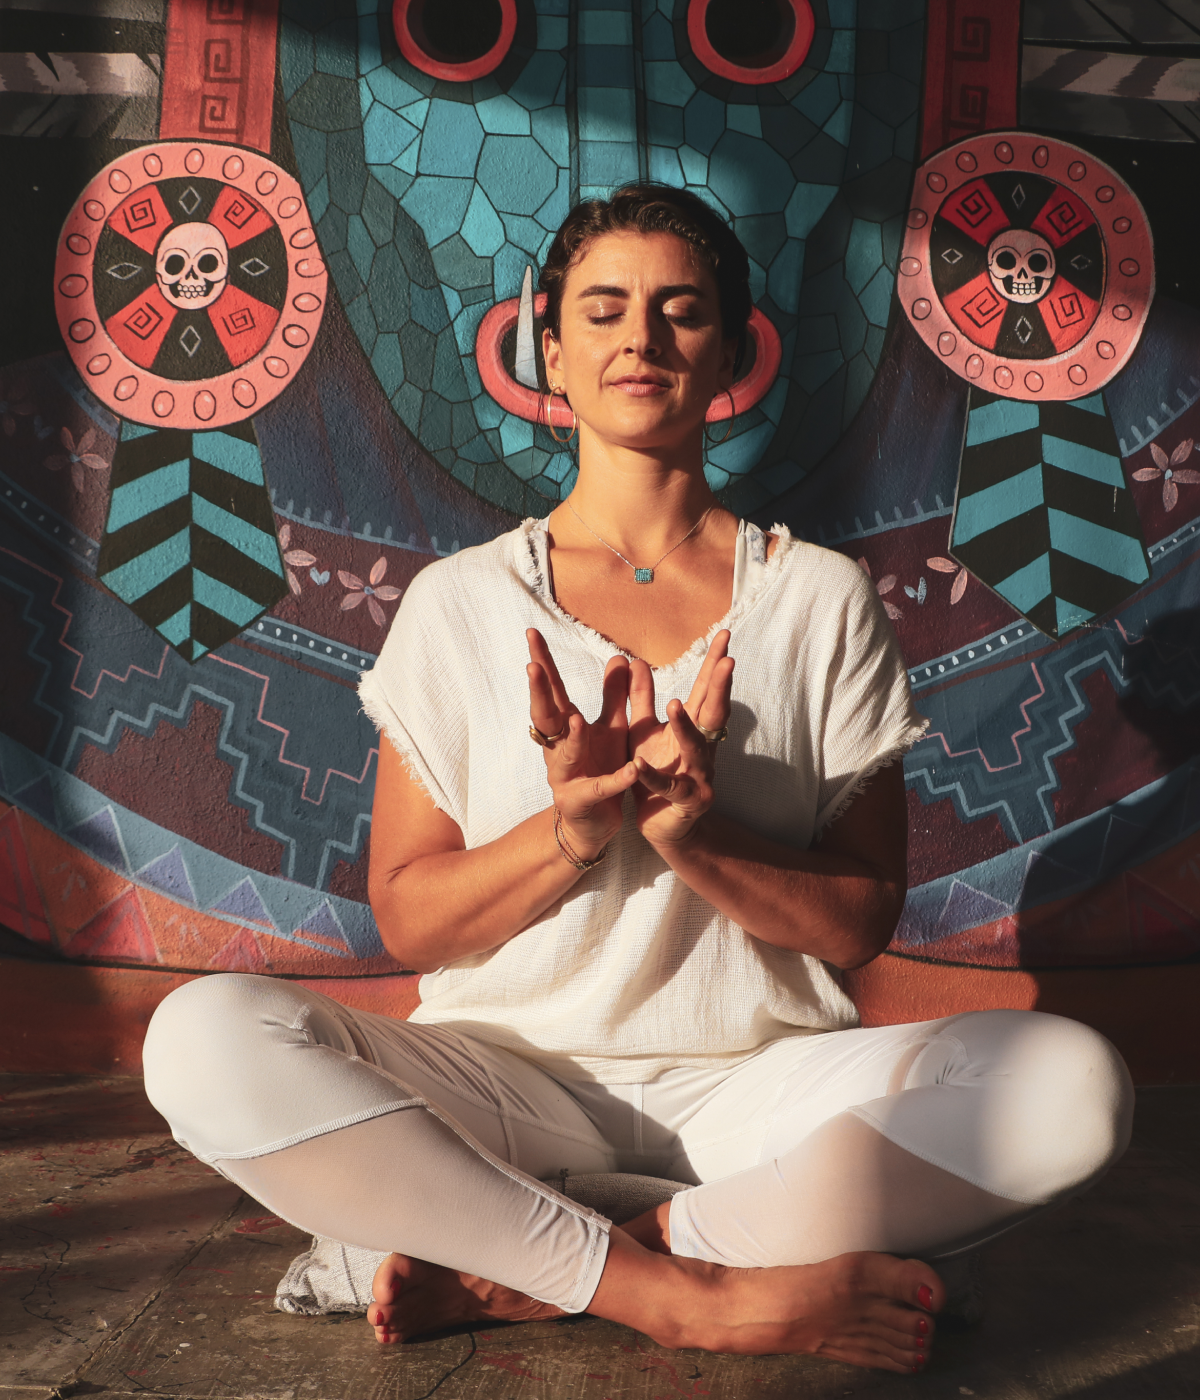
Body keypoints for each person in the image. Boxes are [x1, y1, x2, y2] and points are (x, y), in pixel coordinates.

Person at [142, 183, 1133, 1373]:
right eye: (604, 310)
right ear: (549, 351)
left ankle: (561, 1258)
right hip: (503, 1088)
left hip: (756, 1089)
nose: (642, 338)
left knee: (1071, 1085)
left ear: (734, 355)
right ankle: (690, 1291)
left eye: (682, 310)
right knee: (199, 1036)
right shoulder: (460, 603)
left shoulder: (816, 598)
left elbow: (861, 918)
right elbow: (411, 915)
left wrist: (693, 836)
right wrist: (570, 829)